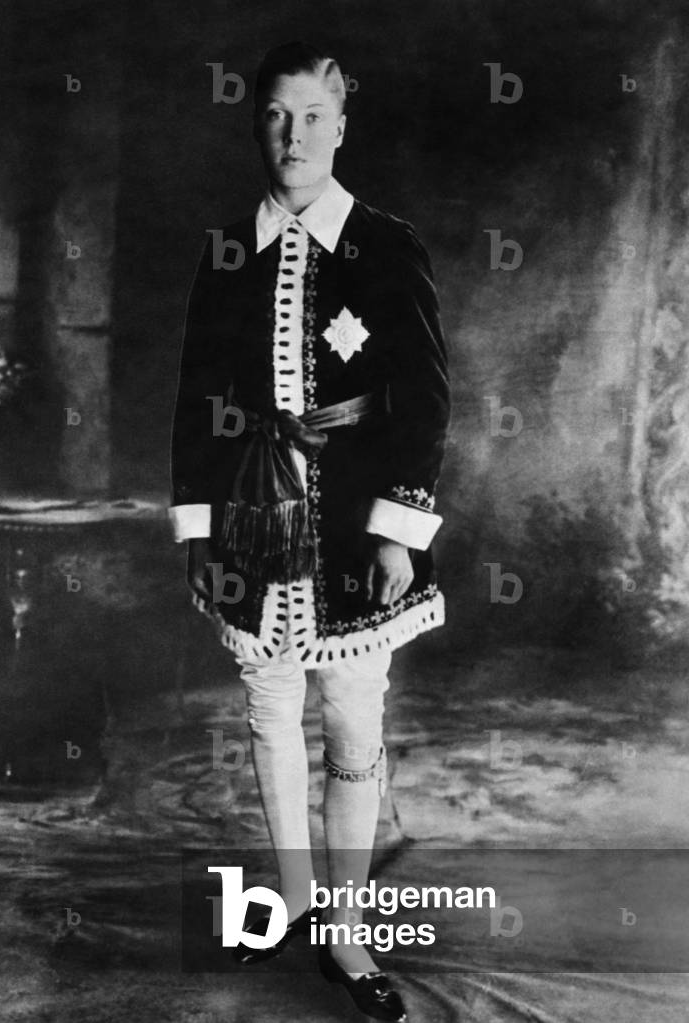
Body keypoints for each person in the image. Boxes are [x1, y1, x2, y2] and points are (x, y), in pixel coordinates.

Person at [169, 41, 450, 1023]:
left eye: (314, 117)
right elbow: (201, 393)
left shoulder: (383, 244)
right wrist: (198, 525)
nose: (294, 136)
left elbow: (422, 396)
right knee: (269, 705)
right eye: (278, 116)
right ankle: (293, 896)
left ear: (342, 124)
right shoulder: (227, 247)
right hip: (250, 513)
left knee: (350, 718)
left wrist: (395, 530)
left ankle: (348, 928)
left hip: (347, 525)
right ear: (260, 123)